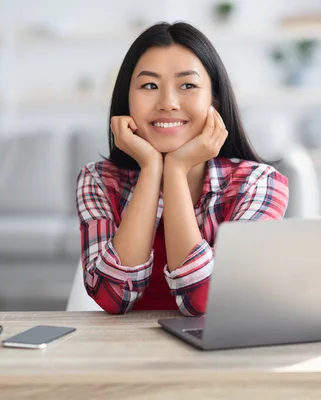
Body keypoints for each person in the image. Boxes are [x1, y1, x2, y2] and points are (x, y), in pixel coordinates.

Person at [76, 21, 289, 317]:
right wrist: (151, 169)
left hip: (218, 355)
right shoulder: (98, 180)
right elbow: (113, 297)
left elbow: (205, 301)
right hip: (124, 351)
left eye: (187, 85)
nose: (168, 103)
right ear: (127, 99)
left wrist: (174, 170)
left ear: (214, 98)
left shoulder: (259, 184)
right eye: (149, 85)